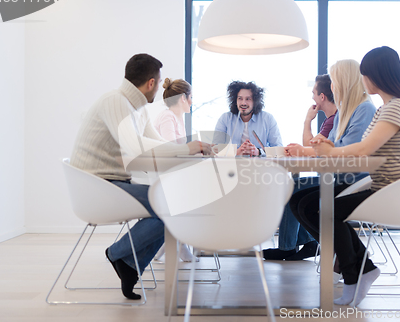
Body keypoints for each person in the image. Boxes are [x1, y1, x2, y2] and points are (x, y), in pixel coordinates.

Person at [70, 54, 210, 300]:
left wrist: (192, 148)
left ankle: (130, 266)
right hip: (96, 187)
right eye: (158, 81)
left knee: (173, 205)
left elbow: (156, 143)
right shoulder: (115, 102)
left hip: (114, 183)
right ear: (151, 83)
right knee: (171, 205)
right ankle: (117, 253)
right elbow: (135, 147)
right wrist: (188, 149)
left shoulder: (137, 108)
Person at [293, 46, 400, 306]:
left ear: (376, 75)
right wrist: (327, 149)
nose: (362, 80)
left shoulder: (395, 108)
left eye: (365, 74)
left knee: (325, 209)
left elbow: (364, 149)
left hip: (391, 191)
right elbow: (360, 149)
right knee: (313, 205)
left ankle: (355, 273)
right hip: (383, 187)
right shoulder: (390, 107)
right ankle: (361, 269)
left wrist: (329, 149)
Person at [265, 62, 376, 262]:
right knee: (297, 194)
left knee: (300, 196)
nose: (332, 87)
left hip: (354, 180)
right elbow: (329, 146)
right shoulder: (344, 112)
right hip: (338, 177)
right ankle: (342, 251)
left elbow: (349, 147)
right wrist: (322, 146)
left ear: (344, 82)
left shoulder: (364, 109)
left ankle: (344, 253)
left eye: (334, 82)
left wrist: (322, 147)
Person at [262, 74, 336, 261]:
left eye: (313, 93)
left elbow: (312, 149)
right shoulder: (330, 120)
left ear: (322, 97)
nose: (312, 97)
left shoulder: (334, 120)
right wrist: (304, 138)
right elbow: (311, 147)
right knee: (294, 182)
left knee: (292, 185)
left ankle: (288, 247)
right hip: (330, 176)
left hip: (335, 178)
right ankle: (308, 242)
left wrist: (305, 130)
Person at [153, 78, 197, 262]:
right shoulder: (167, 117)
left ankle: (176, 244)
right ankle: (176, 244)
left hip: (172, 173)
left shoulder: (177, 118)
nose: (192, 102)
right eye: (191, 97)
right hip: (162, 176)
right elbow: (171, 148)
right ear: (182, 99)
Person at [213, 81, 282, 155]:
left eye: (248, 99)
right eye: (240, 98)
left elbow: (279, 149)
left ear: (255, 101)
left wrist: (258, 152)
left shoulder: (268, 119)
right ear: (235, 100)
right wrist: (236, 152)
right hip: (232, 165)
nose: (243, 103)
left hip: (261, 165)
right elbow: (215, 149)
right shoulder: (225, 118)